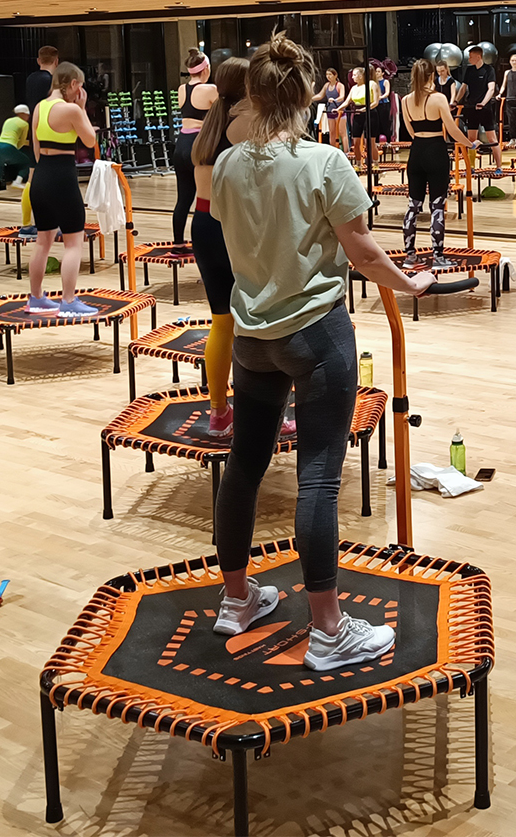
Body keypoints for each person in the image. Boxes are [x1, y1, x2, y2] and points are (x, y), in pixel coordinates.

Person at [209, 36, 434, 671]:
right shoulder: (324, 162)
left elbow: (235, 235)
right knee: (318, 477)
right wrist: (411, 284)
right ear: (308, 94)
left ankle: (236, 599)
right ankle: (330, 631)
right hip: (315, 335)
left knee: (245, 464)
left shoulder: (226, 164)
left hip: (253, 337)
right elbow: (362, 252)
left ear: (254, 95)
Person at [189, 58, 250, 438]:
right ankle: (266, 411)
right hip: (231, 226)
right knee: (254, 322)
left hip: (203, 223)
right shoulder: (241, 126)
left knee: (222, 320)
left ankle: (218, 412)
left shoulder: (209, 127)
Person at [27, 62, 99, 317]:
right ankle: (68, 301)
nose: (81, 92)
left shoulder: (40, 106)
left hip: (41, 176)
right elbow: (90, 140)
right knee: (74, 241)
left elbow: (35, 147)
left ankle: (36, 298)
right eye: (80, 87)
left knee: (42, 241)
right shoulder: (71, 109)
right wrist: (82, 109)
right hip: (62, 177)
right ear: (72, 84)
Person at [401, 59, 478, 263]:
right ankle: (438, 256)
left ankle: (410, 255)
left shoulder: (405, 100)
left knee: (413, 205)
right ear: (432, 76)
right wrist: (470, 144)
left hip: (416, 152)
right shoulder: (438, 98)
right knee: (437, 206)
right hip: (436, 151)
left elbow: (410, 130)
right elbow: (452, 129)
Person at [172, 49, 216, 244]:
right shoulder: (210, 89)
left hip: (181, 143)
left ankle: (178, 243)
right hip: (198, 144)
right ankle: (204, 244)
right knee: (204, 199)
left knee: (183, 199)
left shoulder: (181, 89)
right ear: (206, 69)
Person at [459, 47, 502, 169]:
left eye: (471, 57)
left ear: (478, 57)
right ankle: (471, 167)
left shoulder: (489, 70)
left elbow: (491, 89)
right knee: (471, 139)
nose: (469, 59)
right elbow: (463, 87)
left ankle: (499, 167)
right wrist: (455, 101)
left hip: (485, 109)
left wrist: (483, 103)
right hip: (471, 108)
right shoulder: (469, 70)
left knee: (492, 139)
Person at [0, 105, 33, 194]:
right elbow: (22, 141)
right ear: (22, 114)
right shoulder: (24, 124)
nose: (28, 117)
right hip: (9, 146)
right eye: (27, 115)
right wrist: (16, 149)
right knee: (27, 162)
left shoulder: (8, 120)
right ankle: (17, 181)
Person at [342, 67, 372, 167]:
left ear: (360, 76)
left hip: (367, 113)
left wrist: (365, 109)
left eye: (354, 75)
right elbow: (347, 101)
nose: (352, 77)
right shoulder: (353, 88)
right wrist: (338, 108)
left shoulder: (368, 86)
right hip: (356, 113)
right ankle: (358, 163)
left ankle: (370, 162)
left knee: (368, 141)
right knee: (356, 141)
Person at [319, 67, 346, 149]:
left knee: (342, 133)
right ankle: (333, 150)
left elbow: (342, 97)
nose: (328, 76)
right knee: (332, 132)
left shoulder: (340, 85)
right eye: (327, 74)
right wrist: (310, 98)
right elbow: (320, 95)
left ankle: (346, 151)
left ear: (335, 75)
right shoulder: (326, 85)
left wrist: (334, 100)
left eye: (330, 74)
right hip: (330, 111)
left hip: (339, 111)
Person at [27, 45, 59, 113]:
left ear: (38, 61)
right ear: (56, 61)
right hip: (48, 116)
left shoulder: (30, 78)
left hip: (33, 116)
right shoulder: (53, 81)